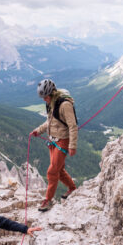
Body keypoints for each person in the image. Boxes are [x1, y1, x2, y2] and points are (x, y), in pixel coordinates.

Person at [30, 79, 78, 212]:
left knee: (52, 172)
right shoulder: (51, 103)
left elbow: (73, 126)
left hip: (62, 140)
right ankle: (73, 189)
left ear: (52, 93)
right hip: (53, 141)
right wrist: (38, 130)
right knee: (59, 170)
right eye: (43, 97)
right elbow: (50, 122)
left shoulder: (64, 105)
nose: (44, 99)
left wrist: (72, 146)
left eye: (46, 97)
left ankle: (48, 200)